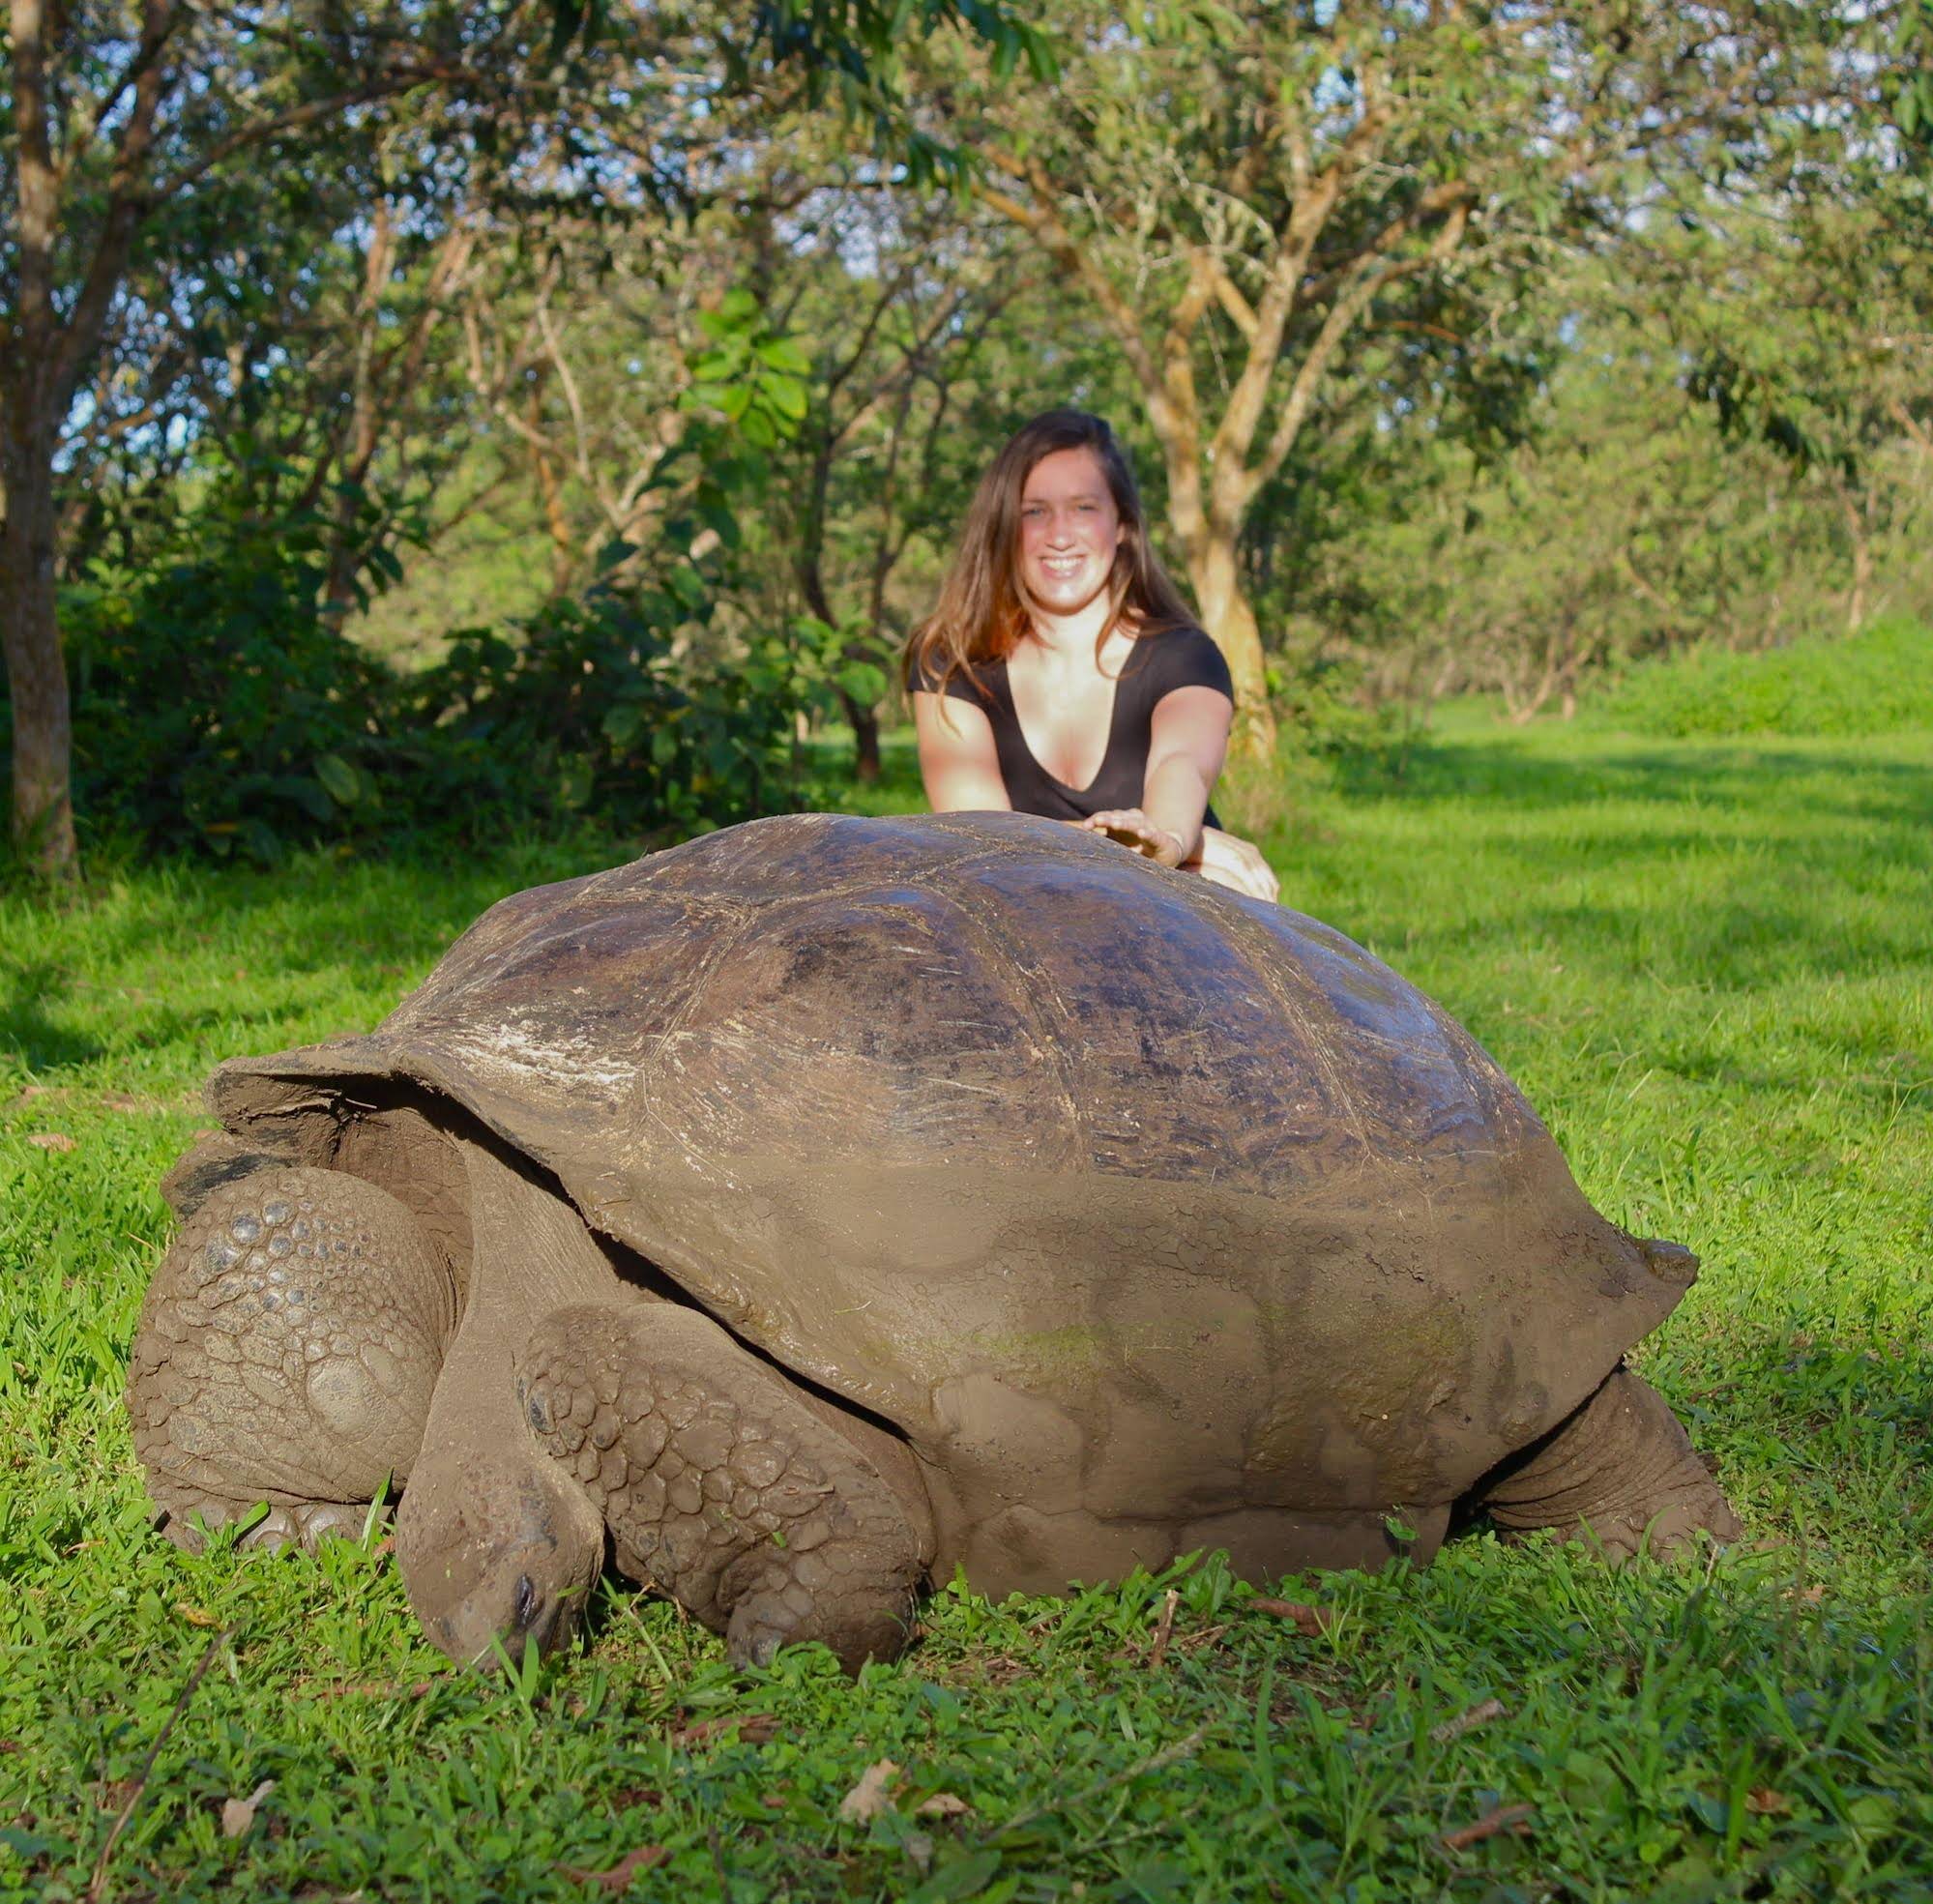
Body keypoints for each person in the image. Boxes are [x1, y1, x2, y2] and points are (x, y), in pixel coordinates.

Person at [903, 409, 1279, 901]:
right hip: (1019, 908)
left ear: (1122, 524)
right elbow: (978, 837)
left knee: (1223, 882)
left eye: (1084, 508)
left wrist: (1171, 840)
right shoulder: (950, 661)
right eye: (1034, 512)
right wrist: (1178, 846)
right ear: (1003, 528)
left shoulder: (1187, 657)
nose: (1060, 535)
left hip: (1163, 902)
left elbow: (1181, 765)